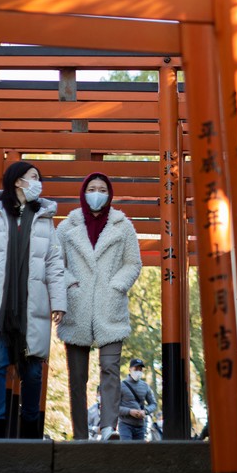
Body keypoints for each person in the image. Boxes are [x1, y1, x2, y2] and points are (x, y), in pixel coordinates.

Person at [0, 161, 65, 439]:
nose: (38, 182)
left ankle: (30, 430)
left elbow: (54, 263)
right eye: (33, 177)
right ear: (18, 181)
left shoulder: (44, 217)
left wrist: (59, 302)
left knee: (32, 373)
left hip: (33, 307)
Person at [55, 172, 142, 441]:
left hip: (110, 306)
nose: (97, 193)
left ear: (110, 193)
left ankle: (107, 428)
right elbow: (56, 264)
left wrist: (116, 286)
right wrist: (70, 285)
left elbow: (133, 263)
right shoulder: (66, 228)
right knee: (77, 376)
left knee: (110, 369)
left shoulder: (123, 226)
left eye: (102, 188)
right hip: (76, 307)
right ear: (83, 192)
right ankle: (80, 433)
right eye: (92, 188)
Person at [119, 358, 157, 441]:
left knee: (139, 452)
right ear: (130, 369)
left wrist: (145, 411)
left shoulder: (145, 386)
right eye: (136, 369)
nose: (138, 371)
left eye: (140, 369)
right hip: (125, 425)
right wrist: (129, 411)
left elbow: (154, 404)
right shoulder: (121, 385)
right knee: (127, 450)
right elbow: (113, 407)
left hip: (140, 426)